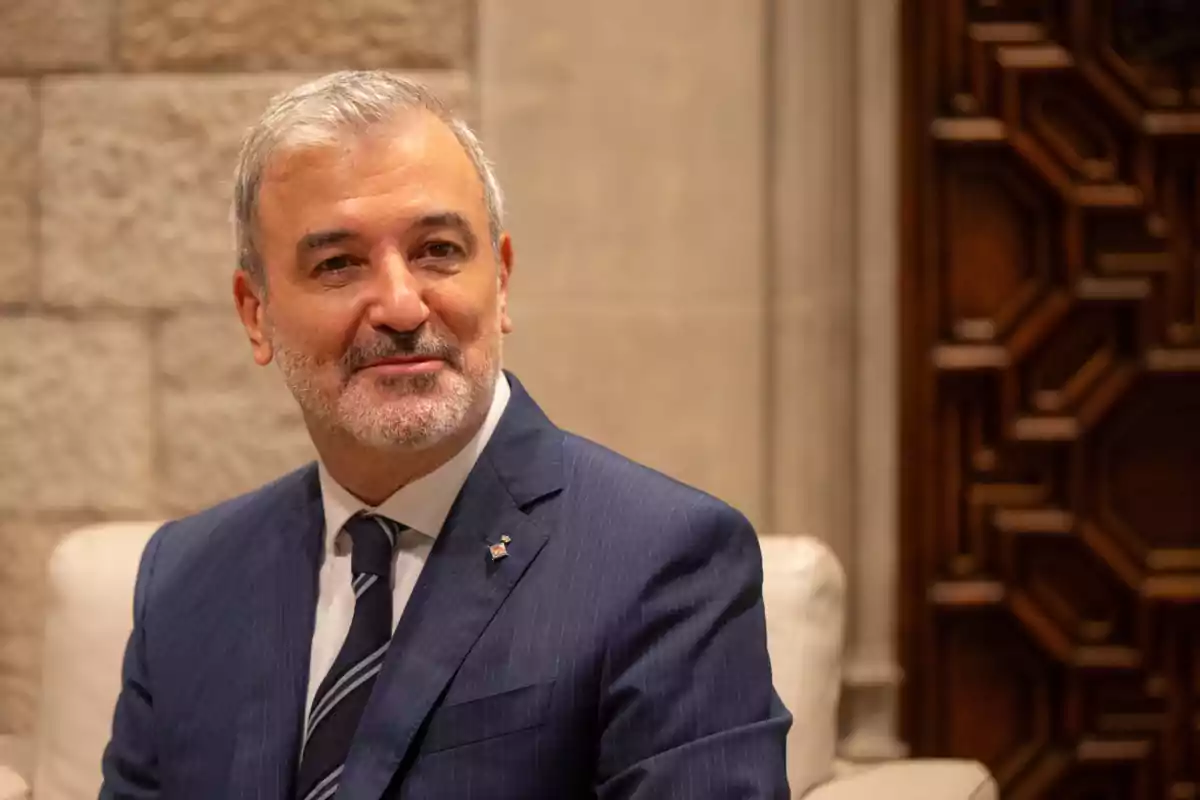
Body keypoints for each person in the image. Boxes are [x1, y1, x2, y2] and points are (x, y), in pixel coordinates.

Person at [100, 70, 791, 800]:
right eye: (337, 264)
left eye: (437, 251)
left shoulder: (665, 562)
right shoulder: (185, 580)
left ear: (502, 283)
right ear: (255, 315)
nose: (401, 306)